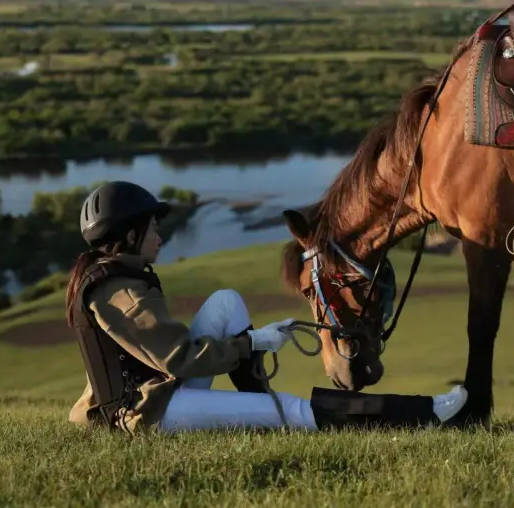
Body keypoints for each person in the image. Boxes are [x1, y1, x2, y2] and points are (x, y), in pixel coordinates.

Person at [67, 181, 469, 434]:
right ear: (133, 234)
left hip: (155, 394)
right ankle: (422, 412)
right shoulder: (121, 291)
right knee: (294, 411)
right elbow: (180, 359)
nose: (160, 235)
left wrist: (254, 341)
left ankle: (258, 402)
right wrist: (252, 343)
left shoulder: (118, 276)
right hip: (146, 415)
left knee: (226, 302)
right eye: (154, 228)